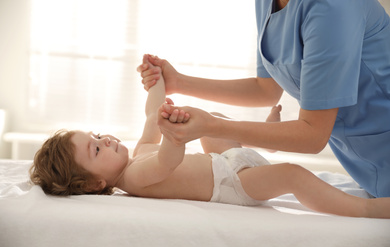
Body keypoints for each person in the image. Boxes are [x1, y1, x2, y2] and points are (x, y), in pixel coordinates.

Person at [29, 57, 390, 219]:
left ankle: (266, 139)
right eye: (95, 148)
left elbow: (149, 114)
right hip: (235, 183)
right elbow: (167, 161)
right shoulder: (133, 178)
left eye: (97, 135)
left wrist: (156, 81)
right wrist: (175, 136)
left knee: (214, 120)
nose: (105, 139)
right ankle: (364, 209)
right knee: (292, 174)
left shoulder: (136, 151)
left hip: (228, 162)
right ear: (96, 184)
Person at [137, 0, 390, 198]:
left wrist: (211, 125)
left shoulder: (333, 7)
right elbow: (266, 89)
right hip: (366, 167)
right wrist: (179, 82)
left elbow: (313, 135)